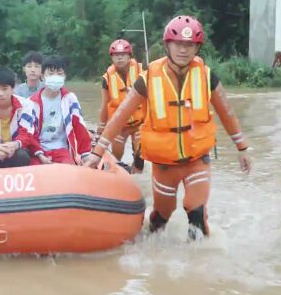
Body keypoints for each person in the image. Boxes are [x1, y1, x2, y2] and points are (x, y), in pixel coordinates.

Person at [84, 15, 252, 240]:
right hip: (164, 165)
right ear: (168, 45)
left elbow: (227, 113)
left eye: (189, 45)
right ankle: (151, 242)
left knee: (197, 213)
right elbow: (119, 117)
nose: (184, 50)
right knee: (162, 215)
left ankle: (198, 267)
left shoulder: (207, 76)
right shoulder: (147, 79)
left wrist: (242, 148)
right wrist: (97, 153)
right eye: (179, 44)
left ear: (197, 47)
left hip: (197, 160)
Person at [28, 56, 91, 165]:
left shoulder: (70, 99)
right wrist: (40, 154)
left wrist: (85, 154)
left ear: (65, 76)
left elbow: (79, 125)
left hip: (61, 149)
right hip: (39, 150)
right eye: (51, 74)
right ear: (42, 77)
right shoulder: (31, 102)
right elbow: (29, 132)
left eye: (59, 73)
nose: (55, 77)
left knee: (68, 170)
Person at [98, 39, 145, 172]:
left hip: (139, 123)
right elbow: (104, 105)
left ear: (130, 56)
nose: (119, 57)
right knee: (116, 155)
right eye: (116, 55)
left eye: (123, 54)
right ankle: (119, 175)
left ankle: (137, 176)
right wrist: (100, 131)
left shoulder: (143, 71)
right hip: (120, 125)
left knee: (140, 155)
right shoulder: (107, 78)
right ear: (112, 57)